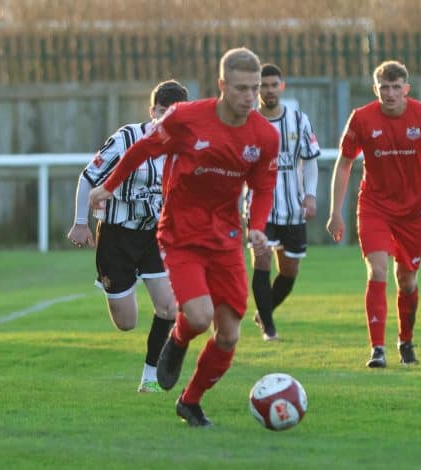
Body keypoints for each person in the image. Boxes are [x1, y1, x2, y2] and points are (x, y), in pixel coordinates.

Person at [89, 47, 279, 426]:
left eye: (254, 89)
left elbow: (264, 189)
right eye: (241, 88)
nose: (249, 97)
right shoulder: (187, 119)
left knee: (228, 335)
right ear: (222, 85)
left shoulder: (264, 135)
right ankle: (177, 340)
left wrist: (256, 226)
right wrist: (108, 186)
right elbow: (143, 148)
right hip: (180, 233)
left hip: (224, 238)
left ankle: (189, 402)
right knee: (199, 313)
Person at [326, 60, 421, 368]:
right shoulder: (361, 118)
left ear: (406, 89)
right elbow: (344, 163)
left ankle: (406, 340)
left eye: (396, 87)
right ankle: (377, 349)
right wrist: (336, 212)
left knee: (407, 281)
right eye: (384, 87)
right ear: (375, 89)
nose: (390, 93)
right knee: (378, 270)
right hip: (374, 206)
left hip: (413, 212)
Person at [67, 79, 188, 393]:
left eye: (174, 114)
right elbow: (89, 177)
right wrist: (80, 223)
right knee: (127, 322)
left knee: (169, 308)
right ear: (152, 111)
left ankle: (151, 378)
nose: (166, 121)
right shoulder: (127, 139)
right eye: (161, 112)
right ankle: (119, 290)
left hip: (154, 236)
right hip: (117, 237)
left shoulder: (187, 146)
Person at [246, 63, 321, 341]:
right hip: (259, 208)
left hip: (293, 208)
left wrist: (310, 195)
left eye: (272, 84)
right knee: (262, 261)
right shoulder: (248, 121)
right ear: (256, 90)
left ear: (282, 86)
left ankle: (263, 311)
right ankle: (269, 327)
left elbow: (310, 161)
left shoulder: (299, 120)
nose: (268, 90)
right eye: (262, 86)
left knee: (289, 270)